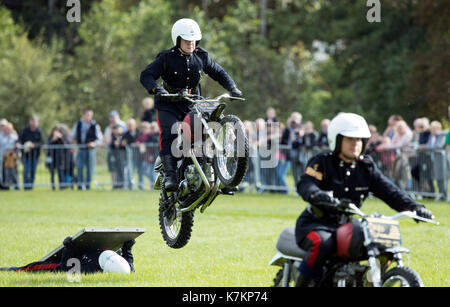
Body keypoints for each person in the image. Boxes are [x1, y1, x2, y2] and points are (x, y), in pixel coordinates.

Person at [294, 112, 433, 287]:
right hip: (316, 223)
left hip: (346, 225)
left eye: (359, 140)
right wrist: (318, 195)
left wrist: (415, 208)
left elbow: (390, 192)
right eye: (350, 139)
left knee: (379, 245)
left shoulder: (366, 167)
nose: (356, 144)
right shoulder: (321, 162)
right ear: (336, 140)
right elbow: (306, 184)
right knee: (322, 244)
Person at [140, 18, 242, 191]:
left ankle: (222, 177)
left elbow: (219, 72)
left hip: (193, 103)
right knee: (170, 132)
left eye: (193, 40)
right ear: (178, 39)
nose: (191, 44)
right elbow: (146, 75)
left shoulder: (202, 56)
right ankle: (171, 176)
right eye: (187, 40)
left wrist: (232, 87)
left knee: (209, 129)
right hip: (168, 103)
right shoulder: (166, 58)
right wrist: (156, 89)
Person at [72, 109, 103, 190]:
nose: (88, 117)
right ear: (84, 115)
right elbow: (73, 137)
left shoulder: (95, 125)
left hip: (90, 150)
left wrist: (94, 143)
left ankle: (87, 185)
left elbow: (100, 139)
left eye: (90, 115)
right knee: (80, 167)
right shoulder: (78, 124)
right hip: (81, 149)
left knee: (90, 168)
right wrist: (72, 147)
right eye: (87, 115)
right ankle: (80, 185)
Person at [18, 116, 43, 190]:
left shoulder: (39, 131)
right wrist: (18, 143)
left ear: (37, 122)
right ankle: (26, 186)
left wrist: (34, 145)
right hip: (26, 155)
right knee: (26, 170)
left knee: (32, 171)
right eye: (32, 121)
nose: (33, 123)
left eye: (35, 121)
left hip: (35, 155)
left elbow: (41, 143)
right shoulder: (25, 130)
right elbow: (20, 139)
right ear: (30, 122)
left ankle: (30, 186)